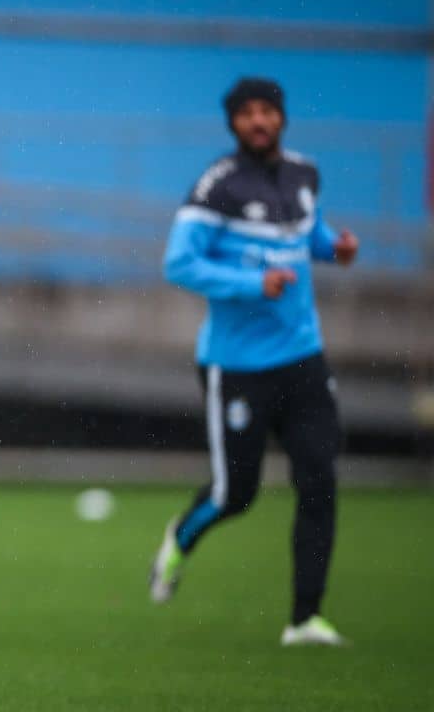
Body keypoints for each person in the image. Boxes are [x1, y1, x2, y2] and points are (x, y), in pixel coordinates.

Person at [148, 77, 360, 646]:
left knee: (319, 480)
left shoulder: (304, 174)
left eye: (268, 111)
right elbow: (179, 264)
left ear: (282, 118)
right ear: (234, 124)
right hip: (236, 365)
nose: (259, 121)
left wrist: (331, 246)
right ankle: (179, 539)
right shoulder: (217, 187)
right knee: (234, 493)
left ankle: (304, 618)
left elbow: (303, 231)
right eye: (248, 113)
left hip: (304, 358)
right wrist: (250, 283)